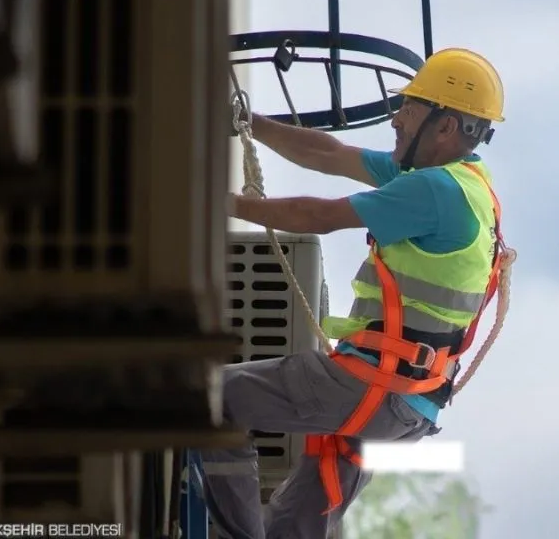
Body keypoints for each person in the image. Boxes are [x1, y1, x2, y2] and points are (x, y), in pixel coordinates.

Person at [196, 48, 508, 539]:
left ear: (445, 127)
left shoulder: (434, 192)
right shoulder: (461, 184)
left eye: (409, 107)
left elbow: (316, 217)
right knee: (293, 527)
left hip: (374, 386)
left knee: (215, 398)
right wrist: (250, 124)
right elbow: (329, 155)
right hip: (409, 404)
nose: (396, 120)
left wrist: (215, 201)